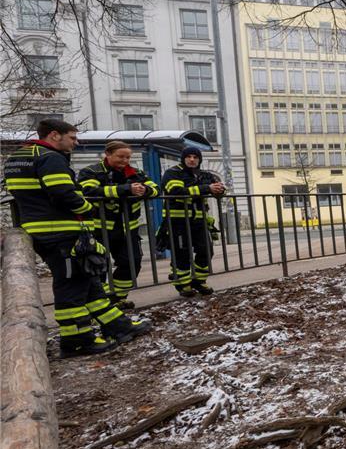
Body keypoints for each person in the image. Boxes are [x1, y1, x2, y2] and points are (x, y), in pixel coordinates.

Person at [3, 119, 151, 356]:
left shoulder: (19, 157)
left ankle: (118, 326)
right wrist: (87, 209)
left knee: (88, 281)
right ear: (54, 135)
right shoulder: (50, 157)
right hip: (60, 231)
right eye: (72, 137)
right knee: (71, 285)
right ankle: (77, 340)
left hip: (43, 228)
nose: (76, 142)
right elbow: (64, 192)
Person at [77, 141, 159, 310]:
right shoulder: (91, 172)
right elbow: (88, 192)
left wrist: (145, 190)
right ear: (108, 154)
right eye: (120, 156)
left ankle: (115, 298)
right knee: (99, 267)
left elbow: (156, 189)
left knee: (132, 263)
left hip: (128, 230)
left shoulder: (135, 173)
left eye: (128, 157)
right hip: (99, 230)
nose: (125, 160)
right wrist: (124, 189)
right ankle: (98, 304)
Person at [161, 146, 225, 297]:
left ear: (199, 159)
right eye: (188, 157)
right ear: (183, 159)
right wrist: (206, 188)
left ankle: (198, 281)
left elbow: (219, 190)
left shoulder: (205, 175)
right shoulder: (173, 173)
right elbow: (176, 191)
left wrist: (219, 190)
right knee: (181, 254)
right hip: (178, 221)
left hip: (199, 220)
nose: (192, 159)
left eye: (195, 157)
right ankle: (183, 285)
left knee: (206, 250)